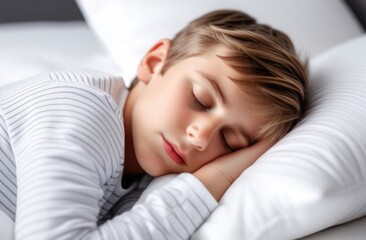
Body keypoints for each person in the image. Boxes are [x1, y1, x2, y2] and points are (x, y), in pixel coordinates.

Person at [0, 9, 307, 239]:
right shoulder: (84, 108)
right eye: (200, 99)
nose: (200, 137)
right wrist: (215, 179)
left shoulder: (142, 181)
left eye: (230, 141)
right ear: (154, 62)